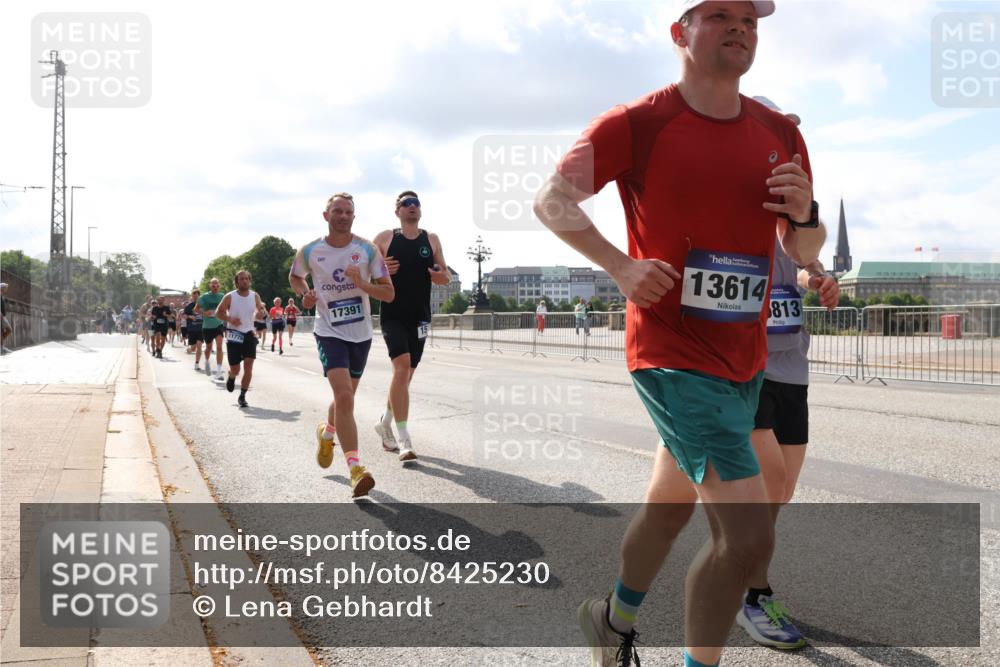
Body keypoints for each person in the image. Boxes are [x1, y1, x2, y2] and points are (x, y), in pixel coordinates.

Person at [533, 2, 827, 665]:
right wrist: (620, 265)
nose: (740, 28)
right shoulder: (638, 123)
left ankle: (612, 618)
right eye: (719, 14)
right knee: (747, 537)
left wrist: (806, 212)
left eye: (751, 20)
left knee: (667, 508)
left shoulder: (780, 131)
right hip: (670, 354)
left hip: (743, 361)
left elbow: (804, 248)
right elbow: (552, 198)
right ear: (679, 32)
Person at [290, 192, 394, 497]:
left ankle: (327, 432)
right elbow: (296, 276)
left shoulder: (367, 250)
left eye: (348, 212)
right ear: (326, 216)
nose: (343, 216)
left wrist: (362, 284)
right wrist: (305, 293)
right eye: (337, 211)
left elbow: (389, 294)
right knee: (345, 397)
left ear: (353, 216)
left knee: (345, 398)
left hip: (361, 333)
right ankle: (355, 469)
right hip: (329, 330)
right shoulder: (310, 251)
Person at [372, 191, 451, 463]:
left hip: (420, 317)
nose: (413, 207)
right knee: (402, 367)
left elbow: (445, 276)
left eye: (416, 203)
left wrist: (442, 275)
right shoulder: (385, 238)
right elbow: (365, 269)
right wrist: (381, 269)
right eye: (407, 204)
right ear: (397, 211)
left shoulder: (431, 239)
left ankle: (384, 422)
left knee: (405, 377)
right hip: (392, 314)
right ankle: (404, 440)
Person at [214, 270, 268, 408]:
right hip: (234, 334)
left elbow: (260, 311)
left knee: (249, 366)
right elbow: (218, 313)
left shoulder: (254, 295)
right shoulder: (229, 296)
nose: (244, 281)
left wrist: (262, 314)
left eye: (246, 279)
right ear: (237, 282)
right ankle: (232, 376)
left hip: (249, 333)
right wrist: (230, 319)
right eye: (241, 279)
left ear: (250, 281)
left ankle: (242, 396)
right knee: (236, 369)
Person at [197, 278, 227, 379]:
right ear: (210, 286)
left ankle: (219, 371)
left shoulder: (222, 296)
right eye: (213, 285)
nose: (215, 287)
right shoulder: (204, 297)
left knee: (219, 346)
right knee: (209, 348)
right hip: (207, 326)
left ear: (219, 286)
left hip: (218, 324)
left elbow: (227, 307)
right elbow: (196, 309)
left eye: (217, 285)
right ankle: (206, 362)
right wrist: (205, 313)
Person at [183, 289, 205, 369]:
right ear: (192, 296)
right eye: (194, 296)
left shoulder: (203, 305)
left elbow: (207, 314)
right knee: (193, 348)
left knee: (199, 345)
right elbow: (184, 316)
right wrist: (190, 316)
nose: (195, 297)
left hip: (201, 328)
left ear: (199, 296)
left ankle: (197, 363)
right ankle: (189, 349)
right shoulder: (189, 306)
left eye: (197, 296)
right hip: (192, 329)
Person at [1, 283, 12, 354]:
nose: (6, 289)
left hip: (3, 316)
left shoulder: (2, 296)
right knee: (5, 330)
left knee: (8, 330)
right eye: (5, 287)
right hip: (0, 316)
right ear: (1, 288)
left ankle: (1, 346)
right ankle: (1, 347)